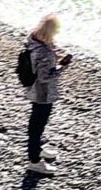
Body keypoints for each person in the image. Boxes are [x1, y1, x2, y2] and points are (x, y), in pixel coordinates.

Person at [23, 14, 71, 173]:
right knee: (37, 125)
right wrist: (62, 67)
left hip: (33, 88)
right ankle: (34, 160)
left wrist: (54, 55)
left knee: (36, 122)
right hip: (42, 92)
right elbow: (45, 76)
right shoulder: (43, 52)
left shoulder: (33, 39)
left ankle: (38, 148)